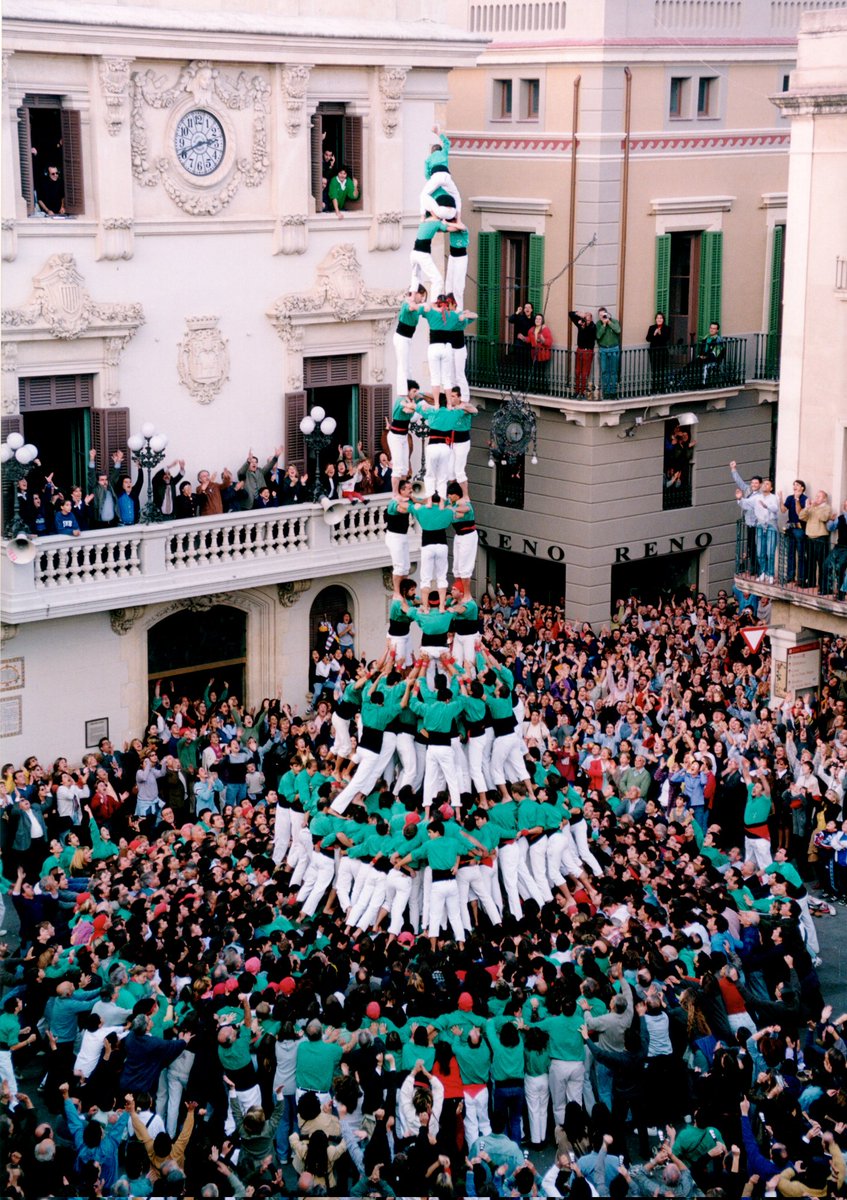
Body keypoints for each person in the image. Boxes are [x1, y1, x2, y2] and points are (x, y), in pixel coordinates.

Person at [779, 479, 808, 584]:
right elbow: (783, 510)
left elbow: (800, 512)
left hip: (800, 529)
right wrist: (781, 499)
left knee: (801, 554)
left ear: (802, 488)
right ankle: (790, 576)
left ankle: (801, 578)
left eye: (797, 485)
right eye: (794, 485)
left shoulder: (805, 499)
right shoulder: (790, 498)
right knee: (790, 553)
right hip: (790, 528)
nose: (794, 486)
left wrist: (797, 499)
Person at [568, 310, 597, 398]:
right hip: (579, 350)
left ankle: (583, 392)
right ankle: (576, 391)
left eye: (588, 319)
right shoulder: (581, 324)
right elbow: (570, 314)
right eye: (585, 318)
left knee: (585, 373)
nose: (586, 321)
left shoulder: (593, 326)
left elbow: (589, 330)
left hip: (588, 351)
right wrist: (578, 313)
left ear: (591, 319)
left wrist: (583, 323)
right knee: (577, 372)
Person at [595, 306, 622, 399]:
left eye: (604, 315)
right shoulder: (598, 324)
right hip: (603, 349)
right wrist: (603, 325)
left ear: (607, 314)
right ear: (599, 316)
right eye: (600, 315)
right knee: (605, 371)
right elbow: (598, 336)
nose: (602, 317)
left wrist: (609, 322)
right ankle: (606, 392)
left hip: (614, 348)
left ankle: (613, 392)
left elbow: (618, 330)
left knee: (614, 371)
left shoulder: (614, 321)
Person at [646, 311, 671, 393]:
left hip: (663, 352)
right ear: (655, 319)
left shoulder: (667, 328)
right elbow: (648, 339)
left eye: (661, 318)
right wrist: (654, 334)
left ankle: (662, 387)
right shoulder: (652, 327)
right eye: (657, 318)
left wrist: (660, 334)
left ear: (663, 319)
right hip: (653, 352)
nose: (659, 319)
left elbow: (667, 338)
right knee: (654, 370)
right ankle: (654, 387)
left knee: (662, 370)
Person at [528, 312, 553, 388]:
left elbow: (550, 342)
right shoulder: (532, 329)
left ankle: (543, 389)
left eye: (540, 319)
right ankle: (536, 388)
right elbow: (530, 339)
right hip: (534, 355)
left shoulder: (545, 329)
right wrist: (524, 338)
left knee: (541, 373)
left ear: (542, 321)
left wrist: (543, 340)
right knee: (535, 372)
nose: (538, 320)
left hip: (543, 355)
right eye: (536, 318)